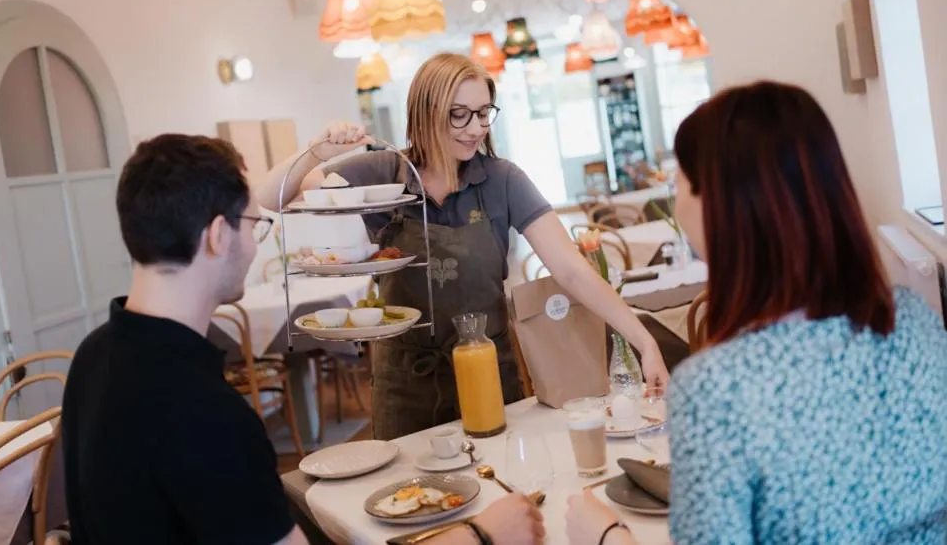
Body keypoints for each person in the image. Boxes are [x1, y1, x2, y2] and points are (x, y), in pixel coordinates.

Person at [62, 134, 547, 545]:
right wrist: (480, 535)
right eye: (253, 225)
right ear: (217, 236)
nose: (253, 244)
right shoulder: (204, 413)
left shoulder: (93, 356)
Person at [566, 81, 947, 544]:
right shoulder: (915, 321)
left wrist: (606, 535)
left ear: (715, 206)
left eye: (680, 183)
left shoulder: (715, 390)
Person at [258, 52, 669, 440]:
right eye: (460, 114)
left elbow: (572, 270)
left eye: (483, 112)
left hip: (489, 367)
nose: (476, 128)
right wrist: (315, 153)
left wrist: (644, 341)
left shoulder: (502, 180)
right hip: (405, 380)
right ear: (425, 113)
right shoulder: (384, 172)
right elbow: (269, 197)